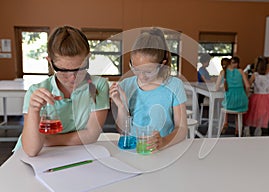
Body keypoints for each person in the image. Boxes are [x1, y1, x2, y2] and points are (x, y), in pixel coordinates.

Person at [15, 26, 109, 156]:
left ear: (88, 58)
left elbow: (91, 135)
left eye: (80, 69)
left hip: (73, 154)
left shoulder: (98, 86)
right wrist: (33, 110)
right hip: (38, 156)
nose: (73, 78)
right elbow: (32, 150)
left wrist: (46, 140)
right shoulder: (36, 92)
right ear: (50, 62)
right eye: (64, 71)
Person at [110, 27, 188, 151]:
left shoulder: (174, 85)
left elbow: (182, 129)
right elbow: (122, 130)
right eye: (135, 69)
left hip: (164, 150)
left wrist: (163, 142)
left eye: (148, 71)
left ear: (162, 64)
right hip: (134, 149)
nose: (141, 76)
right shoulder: (126, 85)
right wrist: (121, 106)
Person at [215, 56, 250, 136]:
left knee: (225, 103)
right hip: (242, 101)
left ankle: (225, 122)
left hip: (229, 102)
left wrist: (223, 87)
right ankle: (238, 130)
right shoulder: (241, 71)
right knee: (238, 111)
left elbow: (216, 88)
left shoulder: (223, 72)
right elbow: (248, 86)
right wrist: (245, 95)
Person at [243, 56, 269, 136]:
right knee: (262, 115)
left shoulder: (255, 75)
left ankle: (247, 128)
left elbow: (248, 85)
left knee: (250, 113)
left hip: (257, 97)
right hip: (268, 98)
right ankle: (259, 129)